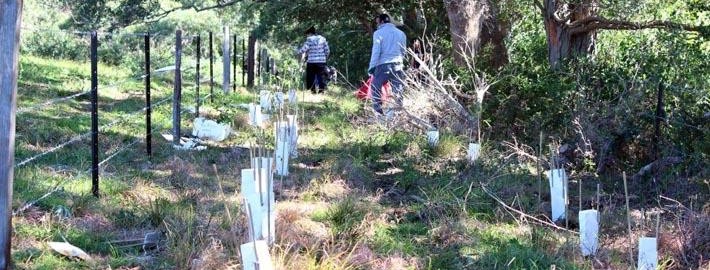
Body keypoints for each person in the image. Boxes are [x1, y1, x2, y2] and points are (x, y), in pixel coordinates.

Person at [368, 13, 407, 116]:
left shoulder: (378, 33)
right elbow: (403, 51)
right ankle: (397, 112)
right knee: (397, 89)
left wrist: (371, 67)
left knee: (375, 87)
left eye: (377, 22)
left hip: (383, 64)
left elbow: (376, 51)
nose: (377, 24)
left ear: (381, 22)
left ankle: (378, 112)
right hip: (398, 63)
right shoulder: (401, 33)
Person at [298, 26, 330, 94]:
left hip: (311, 61)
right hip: (321, 61)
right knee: (320, 76)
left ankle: (313, 91)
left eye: (307, 34)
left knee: (311, 76)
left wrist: (298, 52)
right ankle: (321, 91)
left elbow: (303, 49)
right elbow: (327, 51)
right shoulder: (323, 39)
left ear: (310, 33)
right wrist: (325, 58)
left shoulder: (309, 39)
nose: (307, 36)